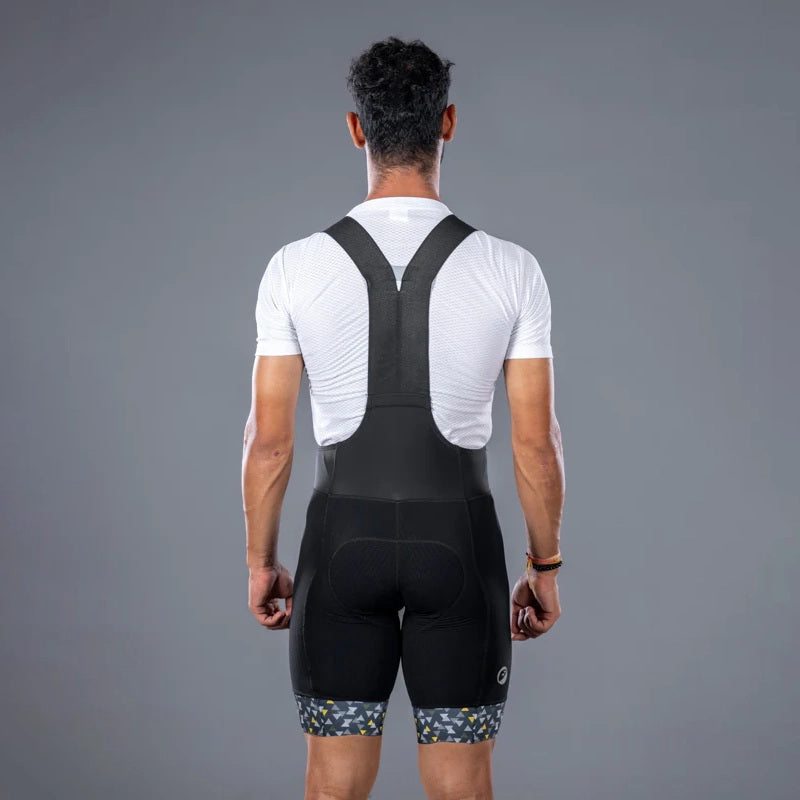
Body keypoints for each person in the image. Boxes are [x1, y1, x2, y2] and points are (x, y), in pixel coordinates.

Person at [242, 36, 565, 800]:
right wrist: (543, 569)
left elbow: (269, 443)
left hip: (340, 547)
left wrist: (262, 562)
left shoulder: (293, 267)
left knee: (333, 787)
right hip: (457, 547)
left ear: (357, 128)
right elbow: (536, 445)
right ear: (447, 123)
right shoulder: (511, 268)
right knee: (461, 788)